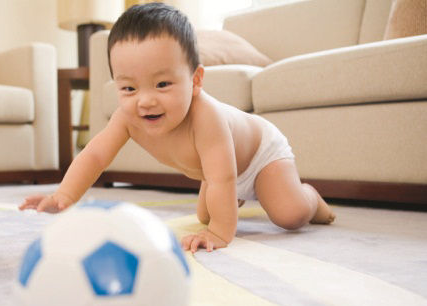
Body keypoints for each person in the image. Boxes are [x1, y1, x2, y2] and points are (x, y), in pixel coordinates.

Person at [19, 3, 335, 252]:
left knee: (288, 215)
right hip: (219, 170)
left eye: (162, 84)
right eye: (129, 88)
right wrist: (64, 194)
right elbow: (95, 156)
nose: (145, 101)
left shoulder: (206, 116)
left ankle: (312, 199)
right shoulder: (126, 118)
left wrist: (220, 234)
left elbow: (223, 177)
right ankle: (235, 199)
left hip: (258, 156)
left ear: (195, 80)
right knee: (205, 215)